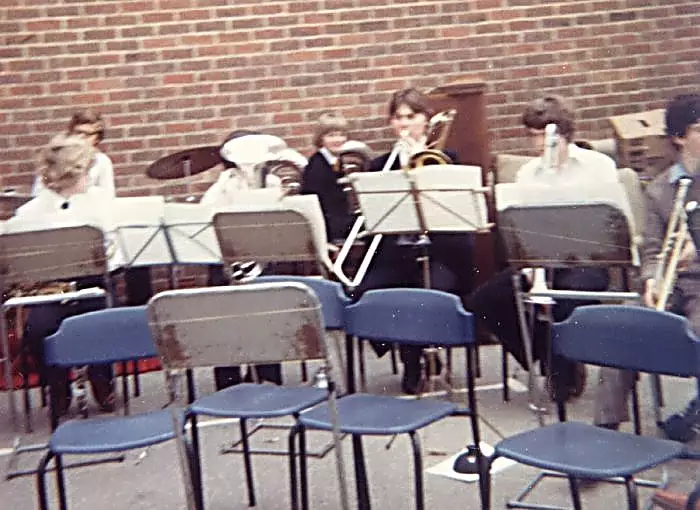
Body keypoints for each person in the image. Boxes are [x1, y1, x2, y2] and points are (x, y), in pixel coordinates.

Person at [466, 95, 618, 399]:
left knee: (564, 301)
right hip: (542, 260)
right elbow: (523, 234)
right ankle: (549, 355)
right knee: (484, 300)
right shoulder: (527, 173)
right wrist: (534, 278)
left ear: (564, 133)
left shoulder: (597, 166)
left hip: (586, 259)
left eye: (545, 134)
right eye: (532, 135)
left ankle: (564, 370)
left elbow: (612, 223)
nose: (537, 143)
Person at [356, 87, 475, 394]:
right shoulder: (379, 165)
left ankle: (416, 356)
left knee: (423, 293)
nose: (404, 124)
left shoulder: (446, 159)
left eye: (411, 116)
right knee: (365, 293)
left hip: (441, 256)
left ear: (426, 120)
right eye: (398, 117)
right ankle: (407, 350)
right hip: (398, 256)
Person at [593, 93, 700, 435]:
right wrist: (653, 280)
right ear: (679, 137)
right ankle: (606, 430)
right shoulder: (658, 190)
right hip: (673, 285)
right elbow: (652, 250)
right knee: (621, 326)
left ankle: (694, 413)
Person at [14, 133, 117, 414]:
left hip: (91, 283)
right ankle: (56, 385)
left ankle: (101, 378)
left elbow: (115, 249)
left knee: (102, 318)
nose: (88, 177)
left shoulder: (100, 202)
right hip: (51, 288)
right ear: (71, 174)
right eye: (85, 171)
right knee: (36, 330)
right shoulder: (32, 211)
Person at [301, 111, 357, 243]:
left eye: (342, 135)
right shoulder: (317, 166)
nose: (338, 140)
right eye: (331, 136)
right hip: (328, 225)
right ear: (321, 138)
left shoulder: (340, 161)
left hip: (340, 220)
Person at [32, 110, 115, 198]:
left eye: (87, 135)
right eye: (78, 133)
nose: (81, 138)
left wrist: (84, 190)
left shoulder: (102, 161)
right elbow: (37, 192)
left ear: (97, 139)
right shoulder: (55, 155)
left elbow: (108, 195)